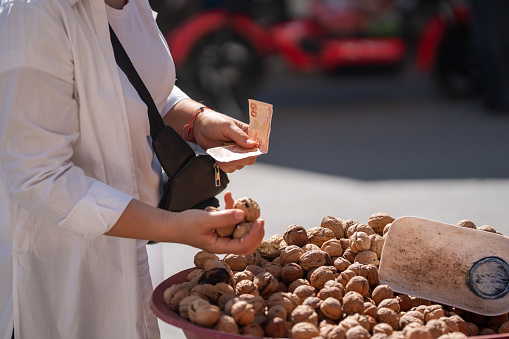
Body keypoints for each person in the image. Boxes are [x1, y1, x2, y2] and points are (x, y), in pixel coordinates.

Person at [0, 0, 265, 337]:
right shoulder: (33, 13)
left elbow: (142, 88)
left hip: (131, 256)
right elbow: (39, 177)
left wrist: (198, 121)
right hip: (59, 276)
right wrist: (173, 226)